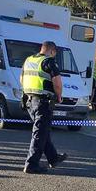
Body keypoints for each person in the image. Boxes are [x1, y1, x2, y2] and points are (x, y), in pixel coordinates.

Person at [20, 41, 68, 174]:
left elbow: (21, 78)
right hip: (43, 102)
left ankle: (53, 158)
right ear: (52, 51)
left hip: (29, 101)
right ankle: (31, 164)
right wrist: (59, 96)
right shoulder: (49, 62)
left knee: (42, 131)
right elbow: (57, 83)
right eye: (55, 53)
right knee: (39, 134)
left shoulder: (29, 60)